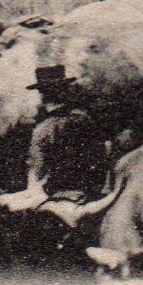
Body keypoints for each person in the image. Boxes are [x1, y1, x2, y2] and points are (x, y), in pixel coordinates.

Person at [25, 65, 110, 202]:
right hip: (92, 193)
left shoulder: (42, 130)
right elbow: (103, 153)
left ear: (43, 95)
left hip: (58, 198)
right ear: (65, 91)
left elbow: (38, 173)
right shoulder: (84, 118)